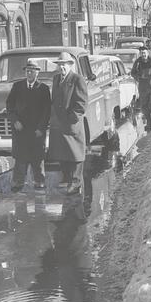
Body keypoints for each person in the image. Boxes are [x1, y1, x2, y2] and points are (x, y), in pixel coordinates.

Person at [7, 59, 51, 193]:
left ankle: (39, 182)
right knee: (20, 159)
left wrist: (41, 128)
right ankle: (18, 183)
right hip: (20, 131)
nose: (29, 73)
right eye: (27, 71)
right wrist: (15, 121)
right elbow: (9, 107)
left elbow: (47, 110)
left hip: (36, 131)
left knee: (37, 159)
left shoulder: (43, 88)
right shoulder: (17, 87)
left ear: (37, 73)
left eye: (32, 71)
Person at [48, 52, 88, 196]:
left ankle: (76, 183)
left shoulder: (77, 79)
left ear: (70, 65)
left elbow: (81, 104)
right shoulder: (56, 79)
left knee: (76, 154)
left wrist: (72, 119)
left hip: (72, 124)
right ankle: (66, 178)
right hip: (59, 124)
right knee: (62, 152)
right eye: (60, 65)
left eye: (64, 65)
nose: (61, 68)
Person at [131, 45, 151, 131]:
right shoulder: (138, 62)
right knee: (144, 106)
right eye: (141, 53)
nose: (143, 54)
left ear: (147, 53)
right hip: (143, 87)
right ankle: (148, 124)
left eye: (144, 53)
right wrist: (138, 76)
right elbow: (133, 73)